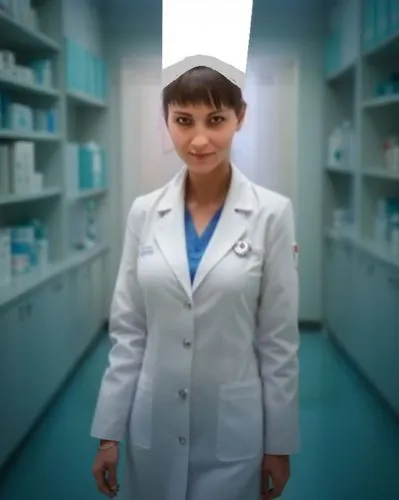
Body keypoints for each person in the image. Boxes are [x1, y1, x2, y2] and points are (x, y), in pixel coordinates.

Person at [91, 58, 300, 500]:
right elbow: (128, 332)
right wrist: (109, 432)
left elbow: (278, 340)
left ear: (240, 117)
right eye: (184, 120)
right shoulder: (144, 212)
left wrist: (279, 445)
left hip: (234, 432)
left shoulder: (272, 214)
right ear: (166, 120)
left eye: (216, 120)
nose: (200, 139)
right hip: (153, 428)